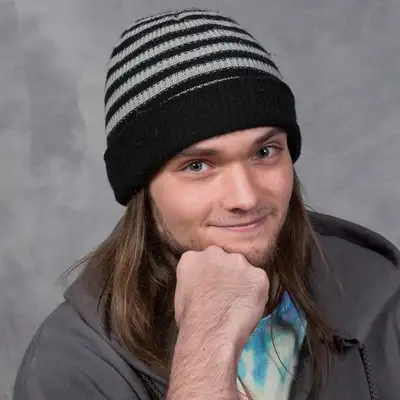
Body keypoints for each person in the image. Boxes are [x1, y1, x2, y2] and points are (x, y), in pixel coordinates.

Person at [13, 7, 400, 400]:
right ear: (142, 189)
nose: (246, 197)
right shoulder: (71, 366)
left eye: (265, 152)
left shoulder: (380, 291)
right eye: (197, 165)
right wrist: (206, 342)